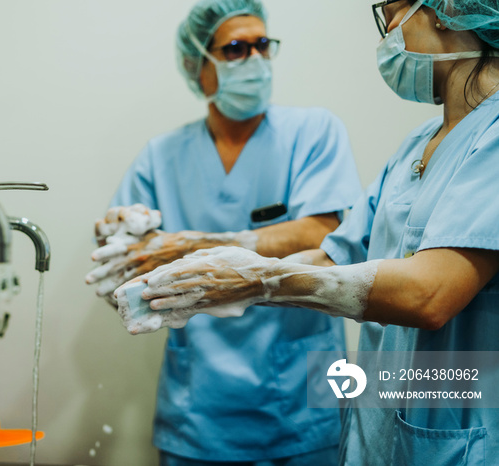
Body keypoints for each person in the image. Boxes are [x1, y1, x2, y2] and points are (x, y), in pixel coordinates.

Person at [129, 0, 499, 464]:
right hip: (380, 421)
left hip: (456, 427)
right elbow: (334, 255)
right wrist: (230, 270)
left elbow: (431, 295)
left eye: (391, 13)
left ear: (446, 10)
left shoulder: (494, 139)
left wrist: (260, 281)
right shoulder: (415, 146)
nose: (386, 34)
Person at [86, 0, 362, 463]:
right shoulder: (161, 156)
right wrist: (116, 242)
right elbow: (123, 268)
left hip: (300, 404)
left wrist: (198, 246)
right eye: (235, 49)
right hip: (199, 411)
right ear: (198, 65)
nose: (254, 61)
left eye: (262, 46)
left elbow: (322, 232)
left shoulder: (313, 132)